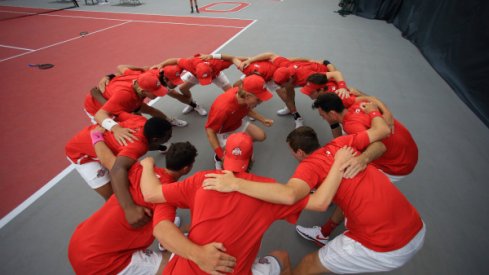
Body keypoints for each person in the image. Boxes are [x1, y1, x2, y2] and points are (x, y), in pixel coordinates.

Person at [203, 106, 425, 274]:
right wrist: (374, 112)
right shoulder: (342, 144)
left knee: (309, 263)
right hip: (415, 225)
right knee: (349, 203)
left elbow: (292, 196)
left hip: (386, 245)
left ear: (299, 152)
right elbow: (381, 134)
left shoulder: (309, 167)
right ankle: (326, 231)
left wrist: (235, 183)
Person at [139, 132, 356, 274]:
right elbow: (320, 202)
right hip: (236, 269)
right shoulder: (270, 192)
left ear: (224, 156)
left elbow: (151, 194)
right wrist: (338, 164)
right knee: (282, 257)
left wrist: (148, 165)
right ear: (252, 160)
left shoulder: (201, 180)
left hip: (184, 269)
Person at [68, 139, 235, 274]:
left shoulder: (138, 169)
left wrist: (97, 136)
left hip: (80, 241)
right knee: (176, 267)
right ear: (187, 168)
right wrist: (199, 255)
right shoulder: (167, 196)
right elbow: (163, 234)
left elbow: (110, 161)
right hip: (101, 262)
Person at [65, 112, 172, 200]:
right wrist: (129, 207)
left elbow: (116, 113)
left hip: (92, 133)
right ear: (155, 140)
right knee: (114, 197)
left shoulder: (140, 120)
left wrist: (115, 128)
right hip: (81, 153)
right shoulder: (137, 146)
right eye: (168, 136)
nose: (170, 137)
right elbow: (114, 167)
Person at [84, 70, 186, 146]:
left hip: (122, 99)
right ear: (143, 91)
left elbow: (121, 68)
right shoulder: (124, 95)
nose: (158, 94)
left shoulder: (143, 78)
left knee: (150, 110)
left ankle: (169, 121)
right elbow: (100, 115)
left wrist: (107, 76)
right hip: (96, 107)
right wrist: (115, 128)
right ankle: (155, 143)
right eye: (155, 92)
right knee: (136, 124)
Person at [239, 52, 337, 128]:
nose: (281, 87)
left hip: (321, 77)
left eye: (282, 85)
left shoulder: (307, 76)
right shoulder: (283, 65)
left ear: (289, 80)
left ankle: (335, 121)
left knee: (325, 100)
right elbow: (271, 54)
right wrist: (250, 60)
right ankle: (294, 114)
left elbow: (335, 74)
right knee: (287, 98)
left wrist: (342, 86)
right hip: (278, 77)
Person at [205, 75, 274, 169]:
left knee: (261, 136)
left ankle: (240, 145)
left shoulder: (244, 97)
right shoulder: (223, 108)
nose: (260, 102)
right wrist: (221, 155)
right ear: (248, 96)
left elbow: (246, 109)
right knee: (231, 160)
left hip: (236, 123)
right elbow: (210, 131)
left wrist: (263, 119)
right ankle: (217, 157)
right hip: (223, 131)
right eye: (258, 99)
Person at [152, 54, 237, 116]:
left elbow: (234, 58)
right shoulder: (190, 63)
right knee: (182, 88)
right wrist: (161, 64)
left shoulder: (217, 64)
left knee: (232, 93)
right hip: (198, 75)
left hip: (216, 76)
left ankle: (247, 111)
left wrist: (249, 59)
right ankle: (193, 105)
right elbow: (176, 60)